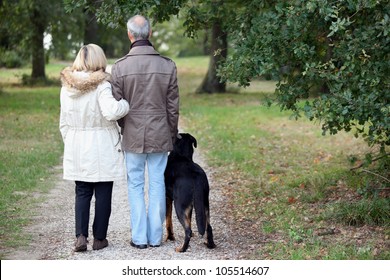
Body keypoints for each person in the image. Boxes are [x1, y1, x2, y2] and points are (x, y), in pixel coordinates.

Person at [111, 15, 179, 249]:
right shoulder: (167, 65)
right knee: (158, 183)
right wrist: (172, 134)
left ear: (130, 35)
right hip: (160, 132)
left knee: (135, 185)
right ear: (149, 34)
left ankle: (139, 238)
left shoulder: (119, 67)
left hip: (133, 133)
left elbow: (117, 107)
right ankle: (155, 237)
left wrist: (125, 128)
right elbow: (173, 107)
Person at [59, 44, 130, 252]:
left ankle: (80, 236)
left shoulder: (67, 87)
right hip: (102, 144)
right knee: (103, 192)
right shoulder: (102, 85)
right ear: (100, 60)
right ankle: (99, 238)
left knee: (82, 191)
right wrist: (126, 103)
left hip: (76, 143)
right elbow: (112, 111)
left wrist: (71, 140)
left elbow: (63, 122)